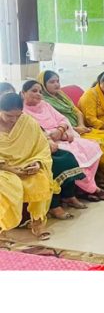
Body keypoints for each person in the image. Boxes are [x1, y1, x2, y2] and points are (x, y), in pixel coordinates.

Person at [38, 70, 104, 189]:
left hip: (80, 128)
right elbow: (52, 125)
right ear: (43, 84)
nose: (57, 84)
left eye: (58, 81)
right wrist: (75, 129)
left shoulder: (61, 96)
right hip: (67, 133)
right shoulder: (44, 102)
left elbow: (77, 112)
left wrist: (81, 126)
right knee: (100, 143)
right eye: (52, 82)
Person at [21, 80, 104, 202]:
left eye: (40, 92)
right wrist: (54, 135)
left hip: (62, 135)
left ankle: (85, 188)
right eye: (34, 91)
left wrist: (61, 131)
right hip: (49, 141)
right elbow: (35, 131)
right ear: (23, 93)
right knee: (74, 157)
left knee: (92, 146)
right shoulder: (21, 112)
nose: (38, 94)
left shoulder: (45, 105)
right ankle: (92, 189)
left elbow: (62, 119)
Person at [0, 93, 55, 240]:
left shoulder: (27, 122)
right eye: (8, 116)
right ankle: (4, 226)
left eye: (17, 116)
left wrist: (37, 163)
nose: (13, 120)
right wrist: (13, 170)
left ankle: (37, 222)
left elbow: (42, 148)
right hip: (3, 169)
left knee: (40, 179)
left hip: (26, 165)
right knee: (8, 187)